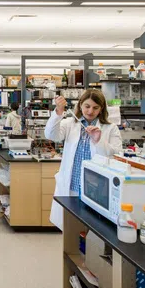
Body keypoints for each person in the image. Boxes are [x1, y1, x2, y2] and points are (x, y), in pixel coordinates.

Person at [44, 89, 122, 230]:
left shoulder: (111, 128)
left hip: (96, 191)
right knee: (71, 231)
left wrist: (99, 141)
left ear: (101, 109)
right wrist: (58, 111)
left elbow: (116, 155)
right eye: (87, 106)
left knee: (94, 231)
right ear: (80, 105)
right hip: (72, 187)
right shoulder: (69, 124)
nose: (90, 111)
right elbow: (51, 134)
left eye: (95, 107)